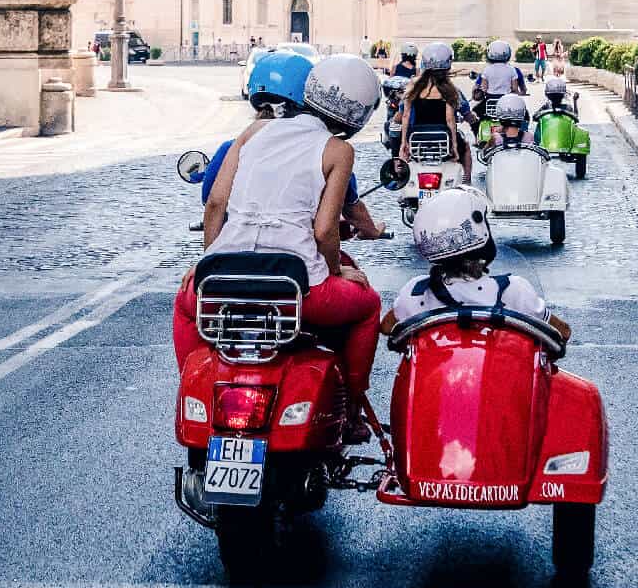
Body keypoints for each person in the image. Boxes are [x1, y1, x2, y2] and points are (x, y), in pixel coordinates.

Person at [173, 54, 384, 442]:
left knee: (186, 305)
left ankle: (196, 386)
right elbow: (324, 231)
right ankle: (353, 409)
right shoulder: (337, 151)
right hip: (297, 286)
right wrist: (338, 272)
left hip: (227, 277)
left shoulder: (252, 134)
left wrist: (207, 264)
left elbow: (216, 206)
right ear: (361, 112)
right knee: (368, 305)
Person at [200, 52, 386, 240]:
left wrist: (211, 258)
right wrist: (372, 232)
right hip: (297, 255)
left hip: (231, 250)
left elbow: (213, 202)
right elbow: (347, 213)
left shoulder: (237, 144)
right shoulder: (328, 151)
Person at [379, 187, 570, 343]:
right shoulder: (513, 290)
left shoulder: (415, 292)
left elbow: (387, 327)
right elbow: (561, 332)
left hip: (434, 384)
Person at [396, 42, 472, 183]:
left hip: (417, 138)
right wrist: (454, 146)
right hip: (443, 138)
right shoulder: (449, 89)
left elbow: (405, 116)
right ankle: (467, 182)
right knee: (466, 148)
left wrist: (403, 143)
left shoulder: (413, 85)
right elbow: (450, 120)